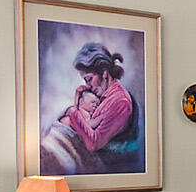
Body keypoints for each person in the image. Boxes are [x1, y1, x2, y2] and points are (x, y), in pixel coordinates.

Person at [41, 41, 138, 174]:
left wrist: (73, 112)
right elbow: (83, 123)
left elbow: (93, 143)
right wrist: (77, 101)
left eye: (89, 79)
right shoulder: (102, 96)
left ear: (104, 73)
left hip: (105, 167)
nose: (88, 85)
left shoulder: (120, 102)